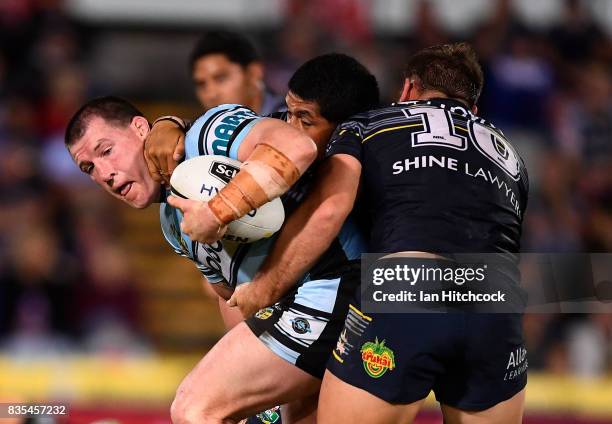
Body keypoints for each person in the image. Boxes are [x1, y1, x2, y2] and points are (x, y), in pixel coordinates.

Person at [206, 43, 528, 423]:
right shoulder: (511, 156)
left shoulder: (371, 123)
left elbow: (328, 209)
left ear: (408, 89)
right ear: (472, 109)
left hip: (407, 285)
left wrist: (265, 288)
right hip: (496, 304)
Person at [66, 53, 379, 423]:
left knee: (195, 407)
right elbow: (235, 301)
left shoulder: (206, 132)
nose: (104, 173)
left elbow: (297, 147)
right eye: (89, 168)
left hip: (344, 283)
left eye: (106, 151)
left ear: (139, 128)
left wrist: (219, 211)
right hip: (304, 307)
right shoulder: (172, 222)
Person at [190, 30, 285, 115]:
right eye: (201, 84)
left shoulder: (292, 122)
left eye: (221, 79)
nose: (211, 94)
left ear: (253, 73)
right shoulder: (200, 131)